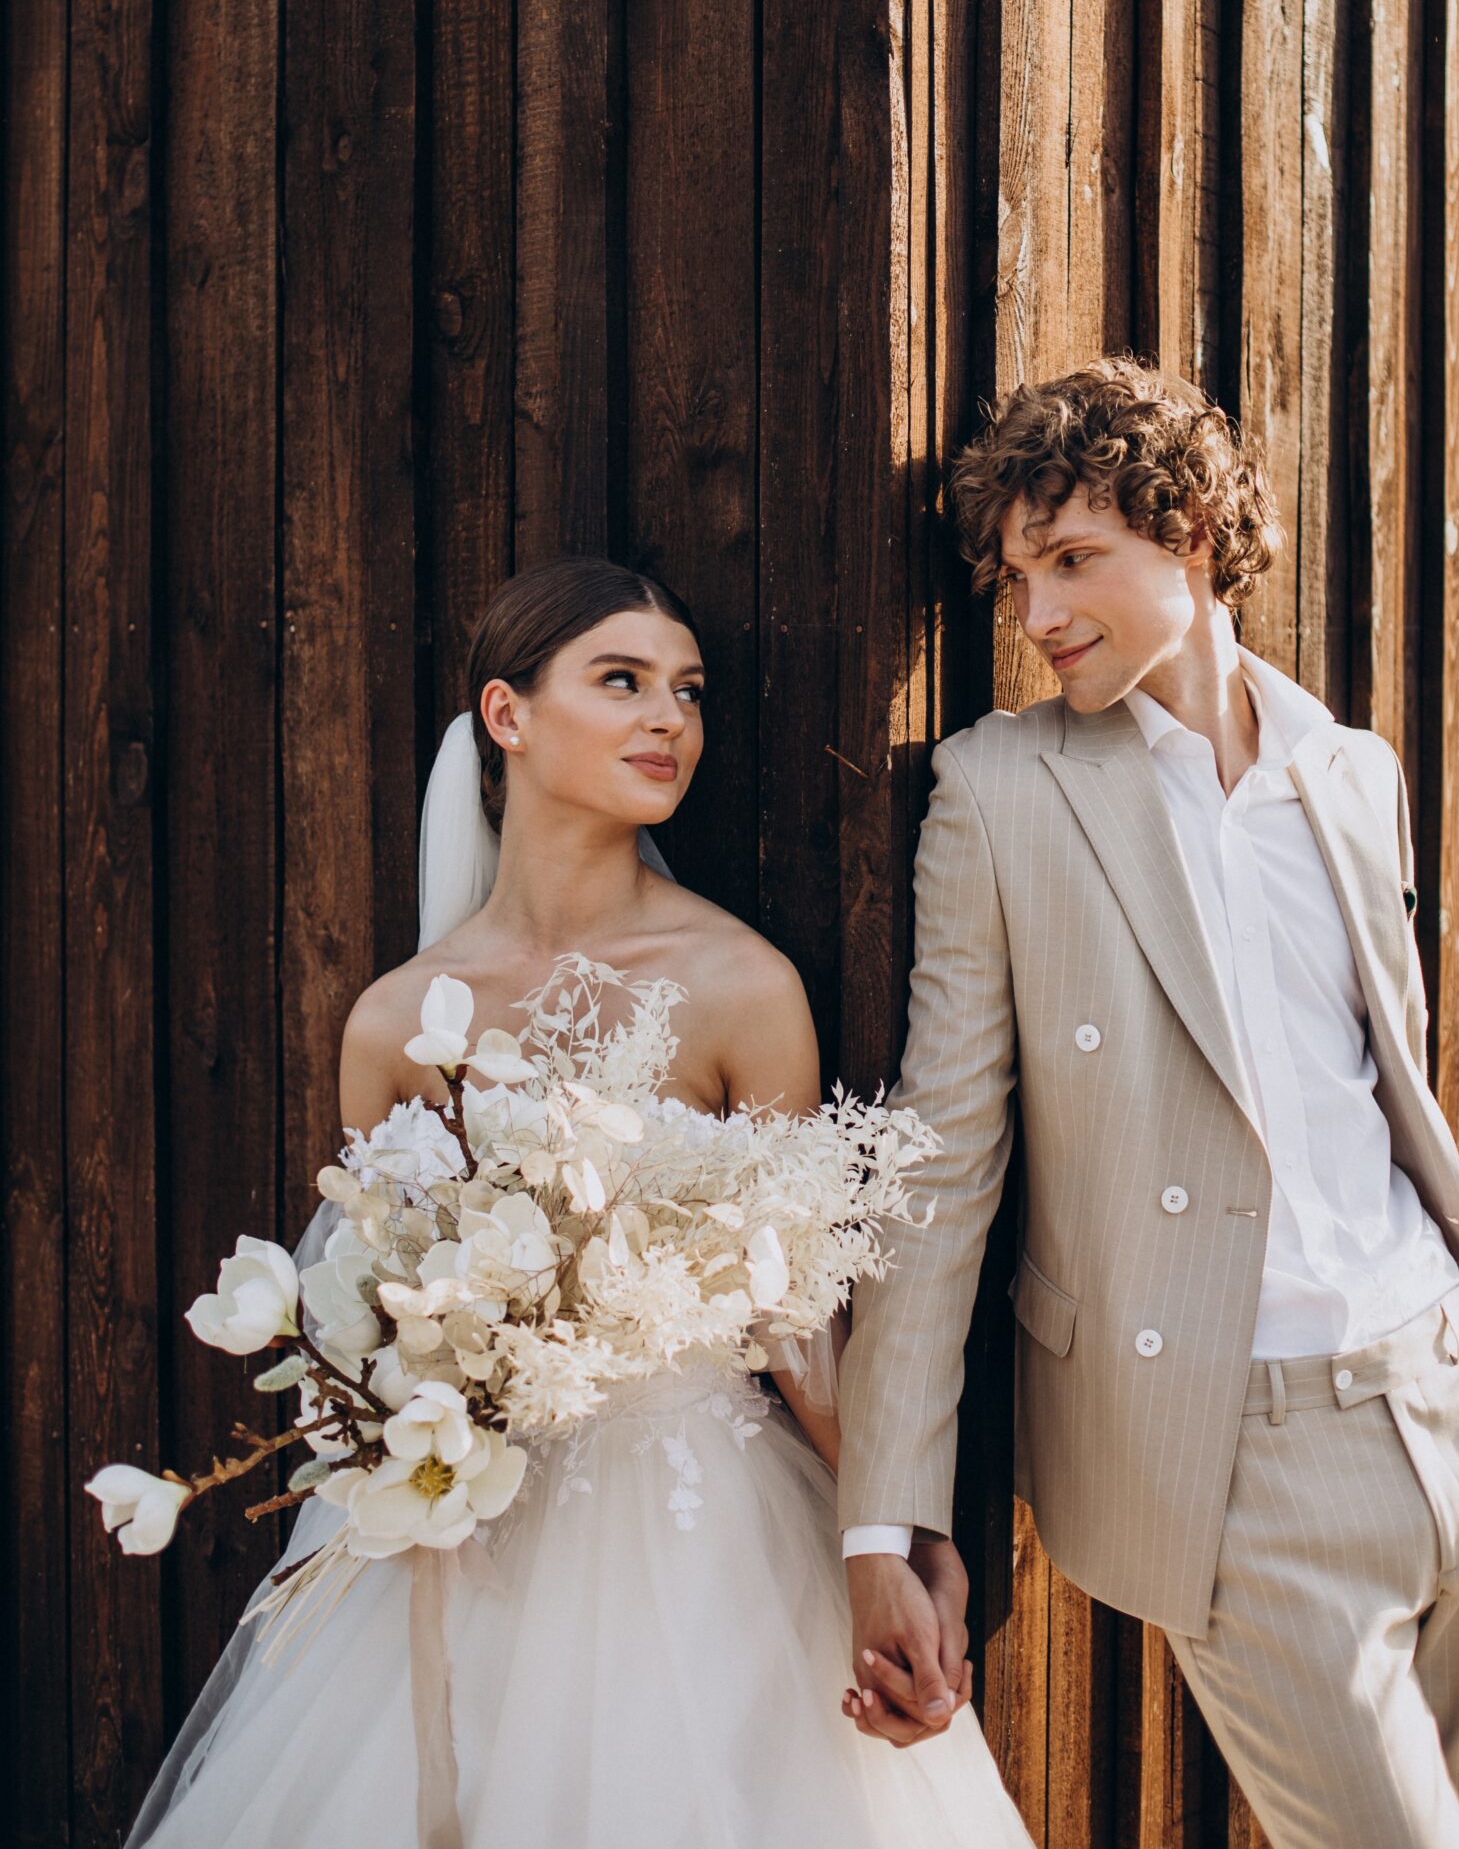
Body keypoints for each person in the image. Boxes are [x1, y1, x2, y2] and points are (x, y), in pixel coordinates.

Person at [127, 556, 1033, 1849]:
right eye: (622, 682)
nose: (671, 719)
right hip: (463, 1535)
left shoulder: (740, 985)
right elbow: (372, 1327)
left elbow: (801, 1332)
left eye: (689, 691)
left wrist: (886, 1541)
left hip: (701, 1531)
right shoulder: (394, 1022)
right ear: (507, 715)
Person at [836, 359, 1459, 1849]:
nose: (1037, 615)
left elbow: (1381, 1087)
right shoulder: (1002, 794)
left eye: (1072, 558)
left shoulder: (1349, 773)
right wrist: (884, 1518)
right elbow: (939, 1166)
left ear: (1195, 532)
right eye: (1017, 577)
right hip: (1240, 1459)